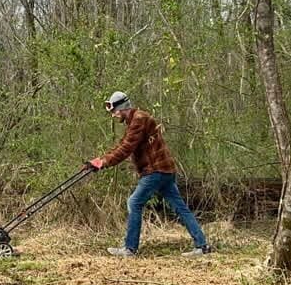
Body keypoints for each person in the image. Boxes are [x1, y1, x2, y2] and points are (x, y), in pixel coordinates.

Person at [87, 91, 211, 257]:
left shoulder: (139, 120)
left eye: (114, 110)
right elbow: (123, 144)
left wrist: (104, 163)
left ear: (122, 107)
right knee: (180, 208)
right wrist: (100, 160)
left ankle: (130, 249)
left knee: (134, 203)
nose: (113, 114)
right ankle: (202, 246)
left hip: (155, 170)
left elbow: (126, 149)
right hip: (165, 170)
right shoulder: (135, 120)